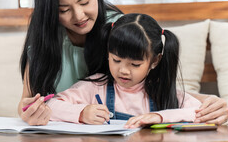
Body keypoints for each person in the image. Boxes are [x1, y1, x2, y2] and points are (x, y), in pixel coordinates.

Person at [18, 0, 228, 126]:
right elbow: (27, 103)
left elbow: (149, 88)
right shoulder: (44, 39)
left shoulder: (118, 30)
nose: (79, 15)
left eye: (85, 2)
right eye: (64, 10)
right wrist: (31, 113)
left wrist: (207, 103)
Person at [47, 13, 202, 128]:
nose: (123, 71)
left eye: (134, 64)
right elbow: (50, 106)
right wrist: (81, 113)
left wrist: (159, 117)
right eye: (116, 60)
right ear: (108, 53)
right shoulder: (95, 87)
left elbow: (200, 112)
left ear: (155, 61)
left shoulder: (162, 91)